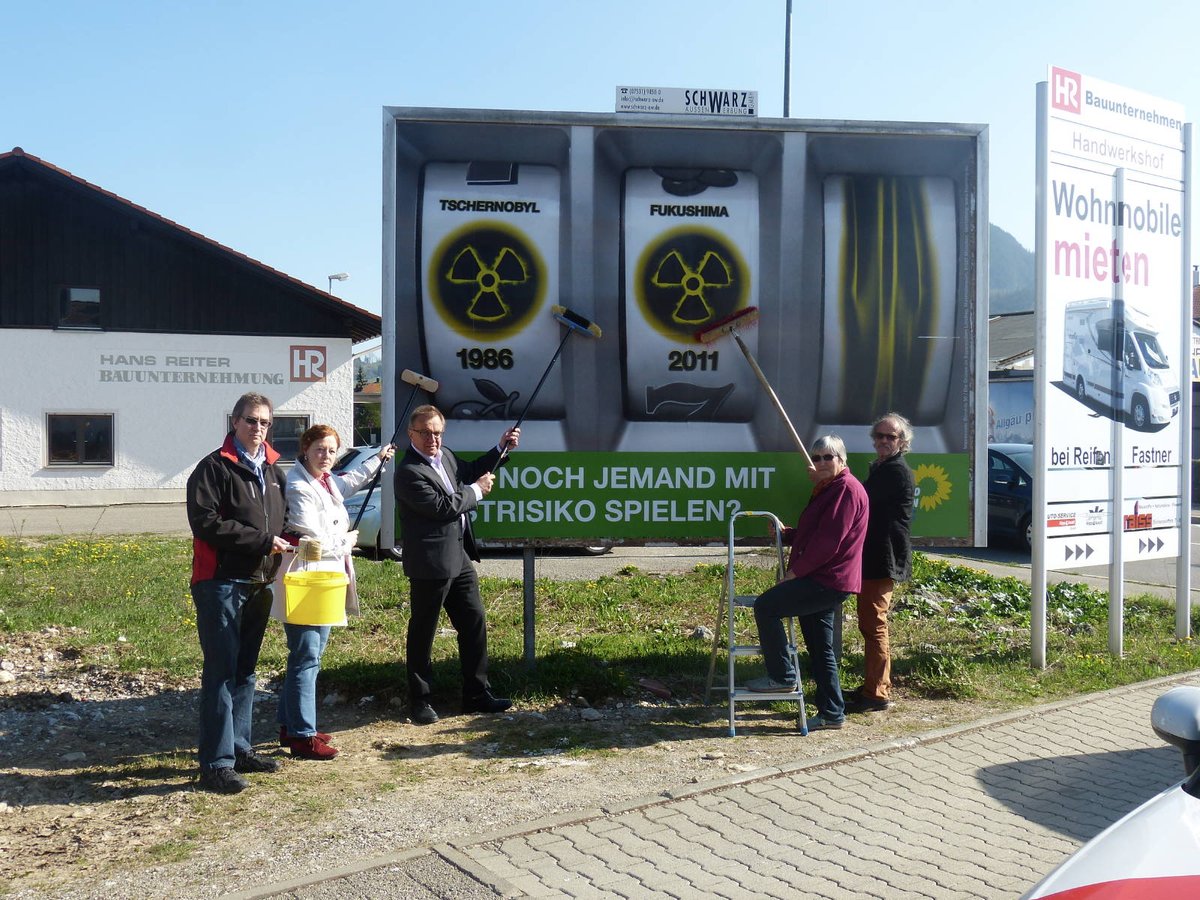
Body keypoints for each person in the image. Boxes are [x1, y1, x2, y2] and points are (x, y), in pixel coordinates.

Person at [186, 392, 291, 793]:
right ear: (235, 422)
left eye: (264, 422)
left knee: (246, 671)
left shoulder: (274, 470)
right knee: (221, 672)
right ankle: (215, 764)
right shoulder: (213, 468)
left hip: (260, 582)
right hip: (221, 582)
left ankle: (239, 747)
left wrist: (300, 540)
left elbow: (284, 523)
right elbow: (206, 524)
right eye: (251, 421)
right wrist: (264, 541)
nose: (258, 429)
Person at [273, 425, 396, 759]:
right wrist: (347, 542)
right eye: (319, 450)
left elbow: (349, 481)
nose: (325, 456)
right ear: (305, 449)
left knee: (308, 655)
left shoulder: (324, 481)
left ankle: (290, 725)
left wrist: (378, 461)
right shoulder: (299, 487)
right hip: (304, 579)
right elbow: (312, 538)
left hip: (323, 581)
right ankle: (301, 735)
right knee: (306, 656)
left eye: (331, 451)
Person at [394, 406, 519, 725]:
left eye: (438, 432)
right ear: (412, 434)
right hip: (429, 564)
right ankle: (420, 700)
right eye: (426, 433)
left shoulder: (445, 456)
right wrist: (477, 491)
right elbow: (442, 507)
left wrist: (500, 449)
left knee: (474, 623)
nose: (433, 438)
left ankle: (476, 694)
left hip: (459, 557)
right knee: (424, 632)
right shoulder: (408, 472)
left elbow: (471, 470)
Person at [748, 434, 869, 731]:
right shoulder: (829, 489)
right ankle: (832, 713)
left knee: (766, 606)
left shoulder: (845, 490)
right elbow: (817, 532)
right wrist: (788, 534)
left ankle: (782, 677)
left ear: (842, 460)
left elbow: (829, 541)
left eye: (829, 457)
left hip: (826, 579)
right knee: (820, 649)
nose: (822, 462)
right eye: (816, 458)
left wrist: (795, 573)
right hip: (827, 579)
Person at [844, 413, 915, 713]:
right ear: (874, 439)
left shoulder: (895, 472)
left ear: (902, 441)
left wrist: (836, 480)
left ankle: (877, 693)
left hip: (882, 557)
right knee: (871, 623)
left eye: (892, 436)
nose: (885, 441)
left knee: (874, 625)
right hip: (874, 556)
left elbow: (860, 502)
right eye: (881, 436)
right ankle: (875, 684)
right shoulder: (883, 468)